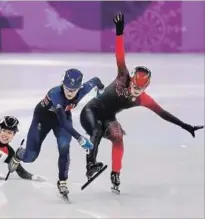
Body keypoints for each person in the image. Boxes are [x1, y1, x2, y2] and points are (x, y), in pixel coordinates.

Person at [80, 13, 204, 193]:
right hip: (91, 111)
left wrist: (186, 126)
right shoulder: (123, 77)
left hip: (107, 116)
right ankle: (90, 165)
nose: (135, 92)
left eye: (140, 90)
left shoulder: (143, 99)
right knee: (97, 130)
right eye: (134, 87)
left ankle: (115, 173)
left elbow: (163, 114)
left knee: (118, 137)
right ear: (131, 79)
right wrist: (119, 32)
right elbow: (120, 56)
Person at [7, 68, 105, 197]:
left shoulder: (84, 89)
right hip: (42, 118)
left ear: (80, 88)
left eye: (73, 90)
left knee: (64, 147)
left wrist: (100, 90)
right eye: (67, 88)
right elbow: (64, 123)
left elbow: (96, 80)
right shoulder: (56, 94)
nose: (70, 92)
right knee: (31, 157)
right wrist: (80, 138)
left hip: (63, 117)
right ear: (62, 84)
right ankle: (20, 154)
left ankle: (62, 181)